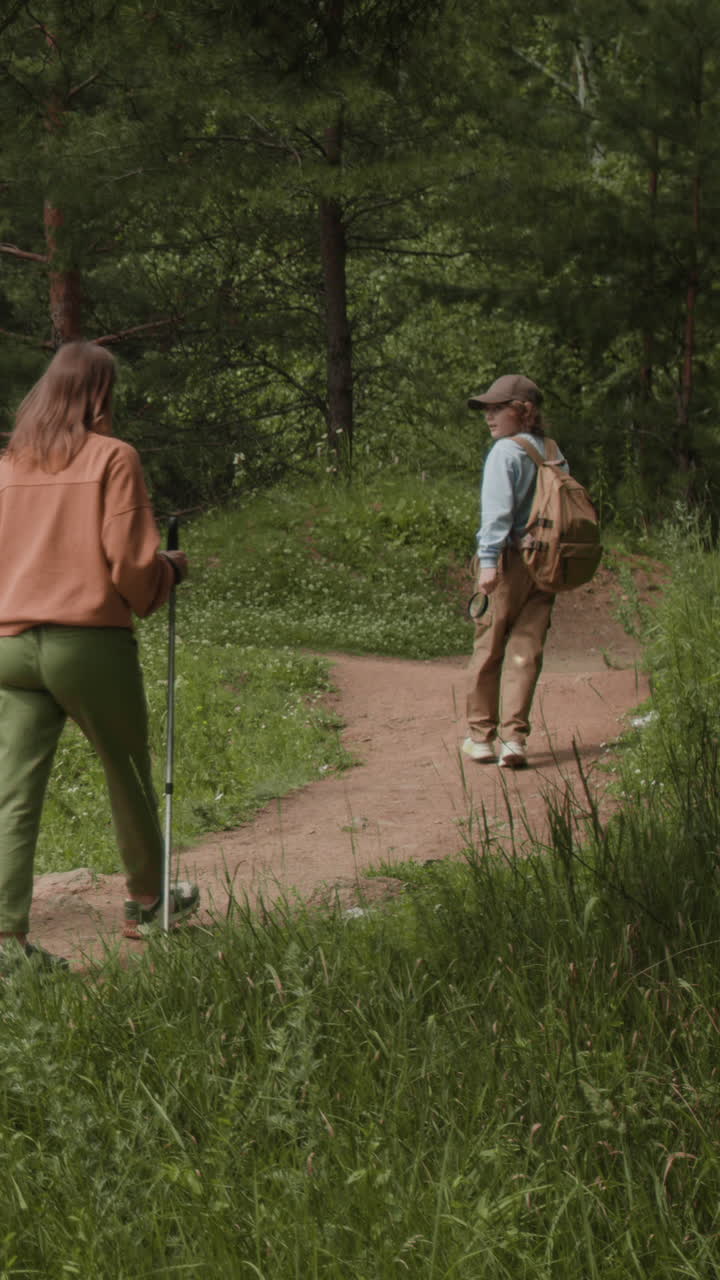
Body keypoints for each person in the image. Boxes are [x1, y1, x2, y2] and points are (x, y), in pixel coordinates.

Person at [0, 341, 199, 969]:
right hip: (86, 642)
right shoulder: (114, 456)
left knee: (13, 791)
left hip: (9, 645)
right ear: (99, 394)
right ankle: (147, 904)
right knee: (127, 771)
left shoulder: (8, 465)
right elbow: (130, 564)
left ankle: (6, 941)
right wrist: (167, 572)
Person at [463, 373, 567, 769]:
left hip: (507, 562)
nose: (488, 417)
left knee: (489, 647)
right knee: (526, 651)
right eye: (487, 409)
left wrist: (488, 562)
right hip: (546, 564)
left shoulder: (504, 452)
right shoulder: (553, 451)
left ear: (523, 411)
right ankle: (514, 740)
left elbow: (496, 515)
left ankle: (480, 738)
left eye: (497, 408)